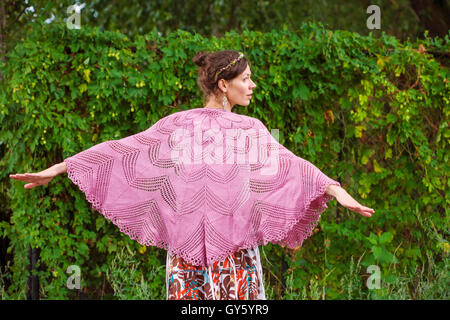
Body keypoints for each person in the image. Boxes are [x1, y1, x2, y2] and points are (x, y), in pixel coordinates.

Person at [9, 50, 375, 300]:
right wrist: (60, 168)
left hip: (233, 256)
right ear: (222, 85)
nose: (252, 86)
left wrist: (333, 190)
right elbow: (123, 151)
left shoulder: (249, 129)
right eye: (246, 79)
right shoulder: (179, 126)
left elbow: (290, 167)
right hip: (192, 259)